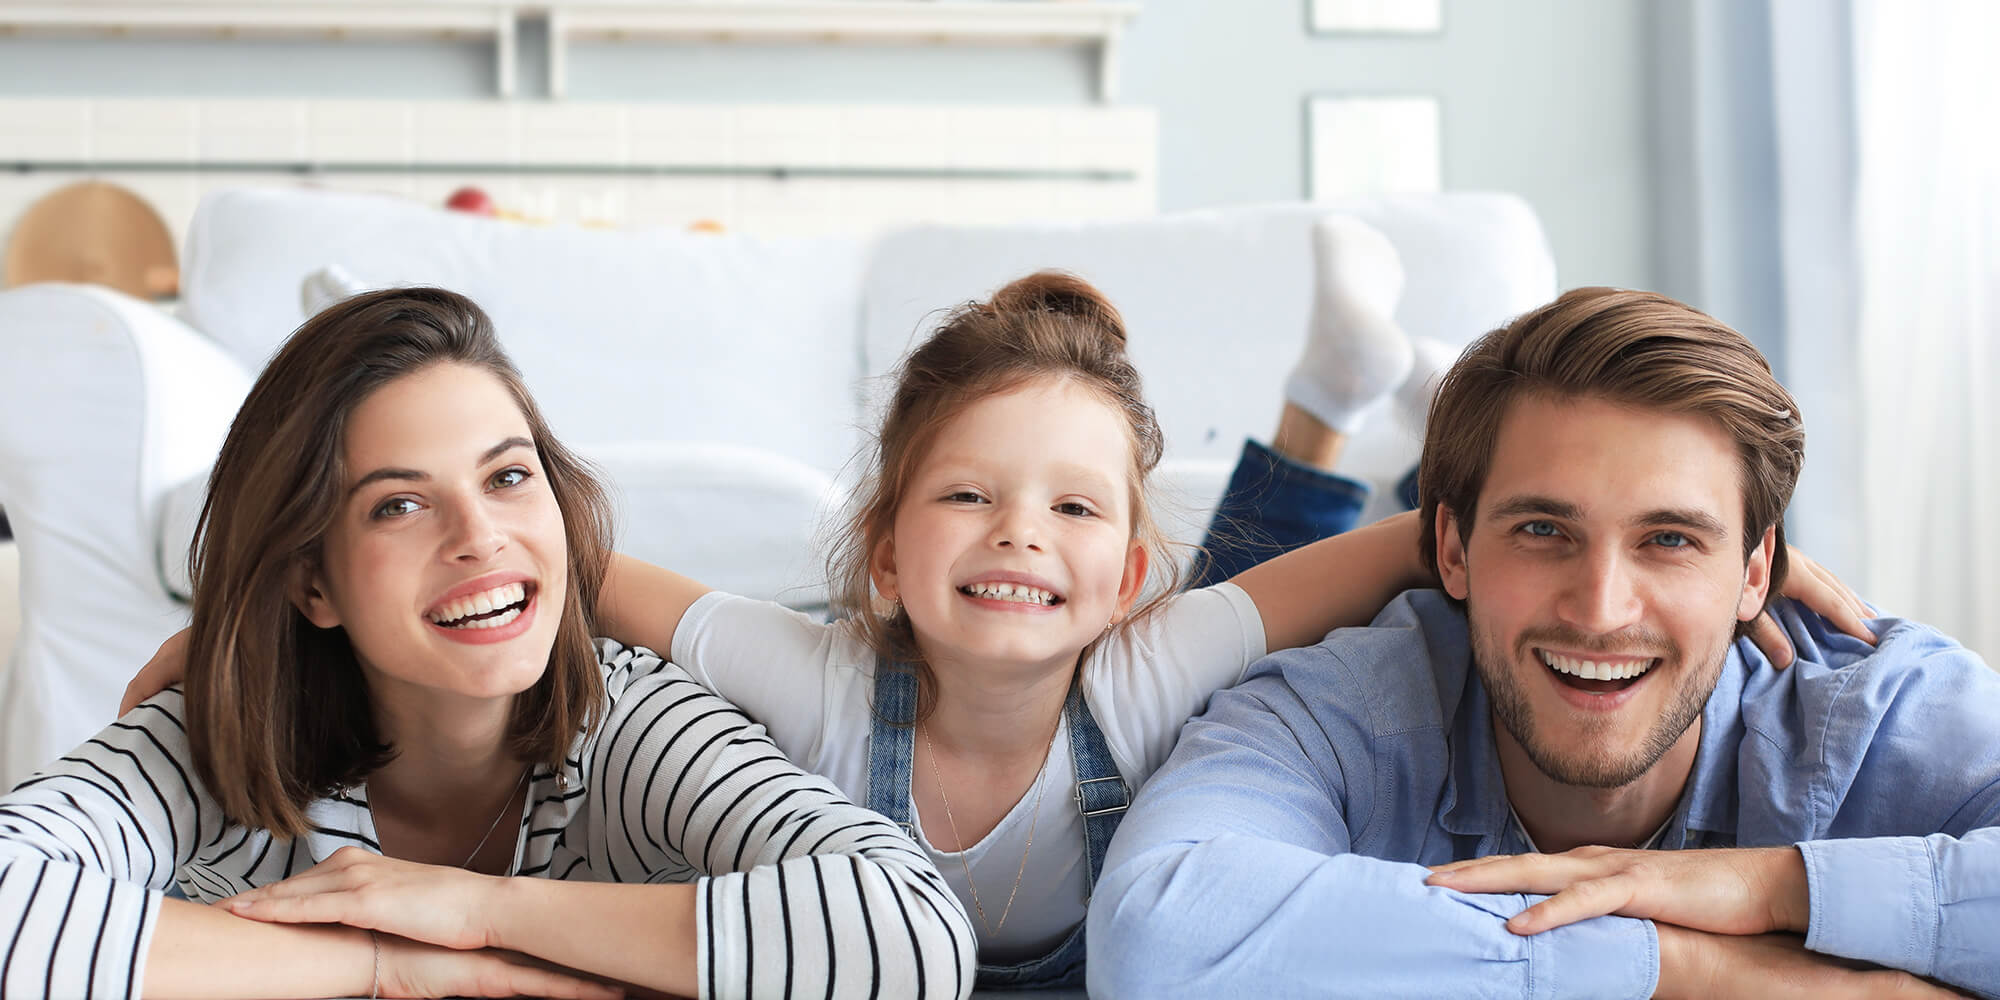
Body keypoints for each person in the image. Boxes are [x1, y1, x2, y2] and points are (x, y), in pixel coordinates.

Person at [117, 219, 1867, 991]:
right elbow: (610, 592)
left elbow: (1379, 567)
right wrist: (264, 620)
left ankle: (1337, 408)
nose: (1010, 539)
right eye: (960, 501)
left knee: (1248, 577)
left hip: (1196, 625)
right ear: (882, 549)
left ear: (1122, 575)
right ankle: (1332, 407)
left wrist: (1704, 562)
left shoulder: (1144, 661)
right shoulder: (812, 685)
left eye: (1067, 519)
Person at [0, 288, 975, 999]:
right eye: (400, 503)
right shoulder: (203, 743)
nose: (478, 537)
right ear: (312, 581)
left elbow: (910, 931)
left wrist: (476, 909)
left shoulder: (631, 719)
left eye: (507, 479)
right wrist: (384, 961)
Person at [1087, 286, 2000, 999]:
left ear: (1756, 572)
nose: (1600, 610)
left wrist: (1765, 890)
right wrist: (1685, 967)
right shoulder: (1342, 708)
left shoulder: (1878, 710)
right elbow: (1157, 937)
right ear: (1450, 547)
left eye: (1670, 539)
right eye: (1542, 531)